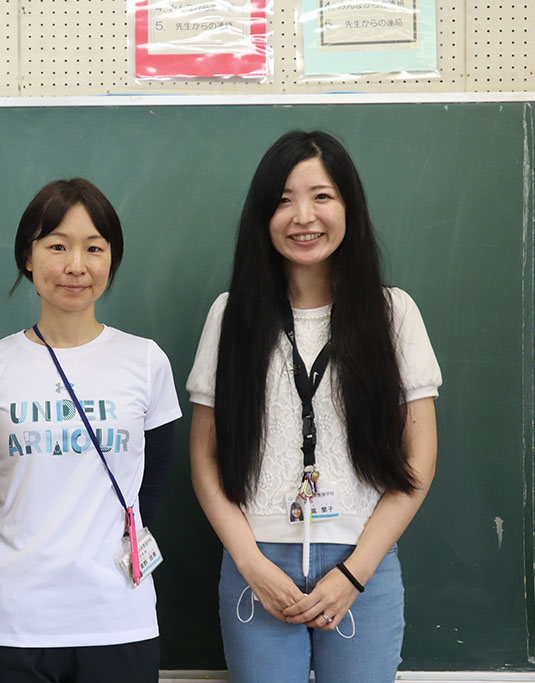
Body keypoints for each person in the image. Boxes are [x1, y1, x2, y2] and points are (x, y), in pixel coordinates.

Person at [187, 131, 441, 682]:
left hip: (362, 565)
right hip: (257, 565)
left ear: (349, 205)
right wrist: (252, 566)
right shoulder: (231, 317)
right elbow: (205, 461)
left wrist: (354, 573)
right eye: (282, 200)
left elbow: (418, 459)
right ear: (263, 215)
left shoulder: (393, 314)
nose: (303, 215)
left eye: (322, 196)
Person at [0, 178, 183, 683]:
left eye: (94, 248)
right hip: (11, 622)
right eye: (57, 246)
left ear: (111, 261)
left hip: (118, 617)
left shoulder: (145, 362)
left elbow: (151, 492)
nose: (76, 265)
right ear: (28, 257)